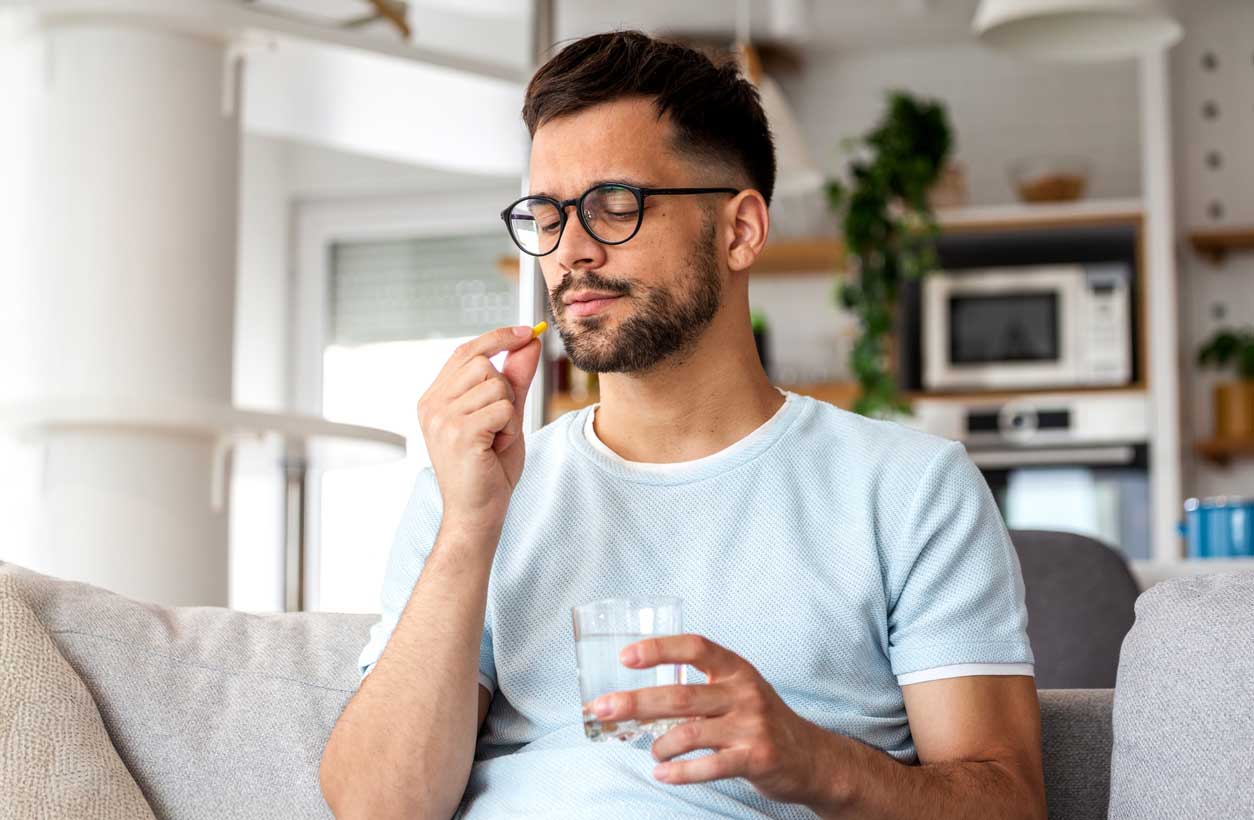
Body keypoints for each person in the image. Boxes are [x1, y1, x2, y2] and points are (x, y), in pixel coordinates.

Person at [320, 30, 1045, 820]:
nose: (571, 253)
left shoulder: (909, 490)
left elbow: (1009, 803)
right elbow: (374, 809)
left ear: (740, 230)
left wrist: (812, 760)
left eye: (613, 206)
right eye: (548, 215)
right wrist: (467, 529)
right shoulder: (476, 488)